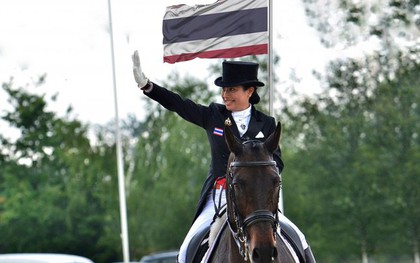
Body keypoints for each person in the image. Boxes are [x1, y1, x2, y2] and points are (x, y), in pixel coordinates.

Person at [132, 50, 315, 263]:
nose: (225, 95)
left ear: (249, 91)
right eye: (224, 90)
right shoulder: (214, 116)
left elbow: (278, 162)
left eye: (231, 89)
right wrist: (148, 86)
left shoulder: (267, 123)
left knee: (299, 239)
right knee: (186, 248)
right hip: (220, 194)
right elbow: (180, 105)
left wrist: (262, 175)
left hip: (260, 197)